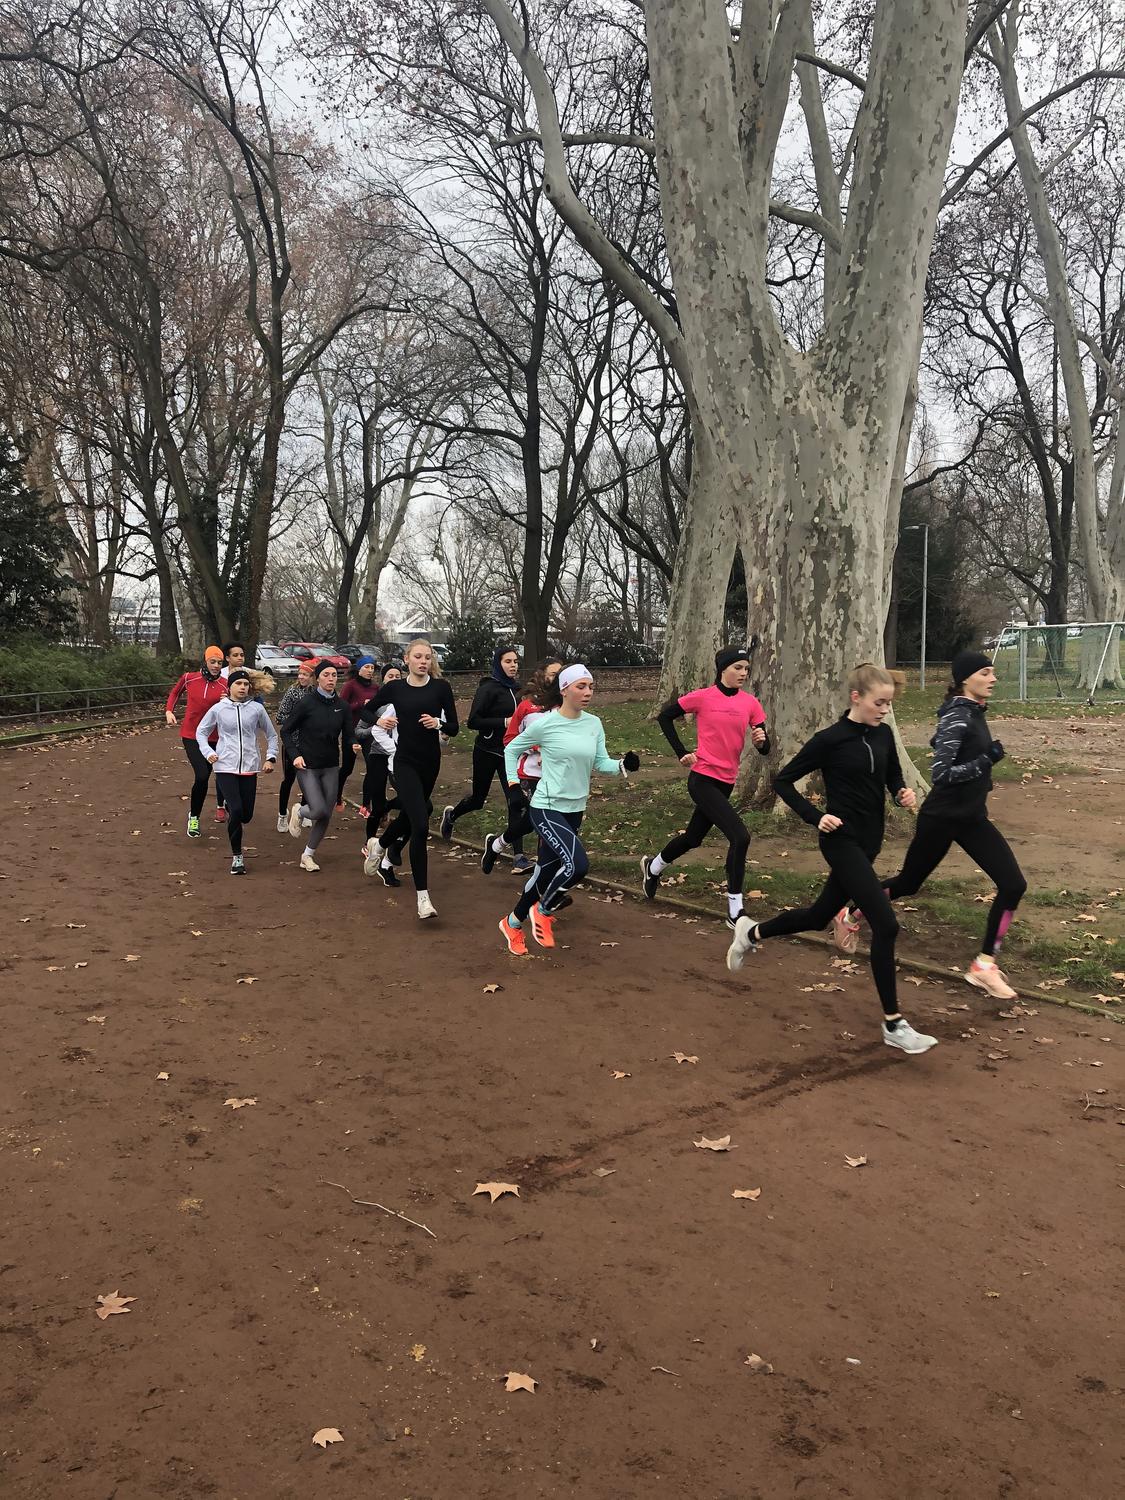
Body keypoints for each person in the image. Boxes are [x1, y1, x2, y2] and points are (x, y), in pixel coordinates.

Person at [725, 664, 938, 1057]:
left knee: (817, 916)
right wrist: (815, 816)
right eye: (879, 703)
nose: (885, 710)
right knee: (886, 924)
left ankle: (751, 933)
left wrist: (901, 793)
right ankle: (894, 1024)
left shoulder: (884, 734)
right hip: (840, 842)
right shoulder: (830, 740)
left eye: (889, 704)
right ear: (856, 697)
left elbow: (893, 776)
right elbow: (783, 780)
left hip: (870, 843)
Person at [880, 650, 1026, 1000]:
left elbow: (950, 746)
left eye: (992, 672)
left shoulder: (972, 711)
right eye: (985, 673)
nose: (993, 679)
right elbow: (942, 774)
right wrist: (987, 759)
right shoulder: (959, 715)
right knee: (908, 883)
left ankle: (984, 966)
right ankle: (853, 910)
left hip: (972, 818)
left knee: (1013, 885)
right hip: (942, 818)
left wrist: (975, 760)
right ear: (965, 678)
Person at [498, 663, 640, 956]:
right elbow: (511, 749)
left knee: (545, 873)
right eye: (581, 686)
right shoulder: (546, 724)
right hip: (546, 807)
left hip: (575, 808)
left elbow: (600, 762)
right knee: (577, 865)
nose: (588, 692)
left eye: (591, 687)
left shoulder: (593, 724)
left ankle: (511, 923)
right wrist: (513, 785)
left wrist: (622, 765)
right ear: (564, 689)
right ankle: (544, 910)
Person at [640, 645, 771, 927]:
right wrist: (681, 752)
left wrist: (761, 742)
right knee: (740, 837)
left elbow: (765, 745)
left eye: (746, 669)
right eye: (738, 667)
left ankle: (653, 866)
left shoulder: (750, 703)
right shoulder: (702, 697)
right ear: (723, 668)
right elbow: (665, 716)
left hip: (726, 782)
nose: (743, 673)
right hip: (702, 779)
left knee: (693, 838)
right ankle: (735, 910)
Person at [354, 639, 459, 918]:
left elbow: (455, 727)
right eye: (418, 657)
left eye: (428, 657)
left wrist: (438, 723)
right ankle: (423, 898)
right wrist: (379, 721)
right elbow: (365, 710)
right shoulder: (395, 688)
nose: (423, 662)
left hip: (430, 763)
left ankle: (380, 844)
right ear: (407, 659)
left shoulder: (441, 688)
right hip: (404, 762)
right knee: (421, 825)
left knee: (415, 812)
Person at [481, 656, 564, 875]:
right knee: (543, 819)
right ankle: (543, 873)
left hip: (558, 775)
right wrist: (536, 748)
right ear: (541, 675)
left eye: (561, 674)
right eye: (554, 674)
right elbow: (510, 739)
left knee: (534, 822)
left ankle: (497, 844)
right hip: (531, 774)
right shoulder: (526, 706)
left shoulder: (566, 706)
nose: (558, 678)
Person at [195, 668, 278, 874]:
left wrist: (271, 757)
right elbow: (201, 732)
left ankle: (231, 808)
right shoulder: (218, 709)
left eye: (245, 684)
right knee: (237, 810)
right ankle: (237, 857)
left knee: (246, 816)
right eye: (238, 684)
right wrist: (208, 752)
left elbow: (271, 735)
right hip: (225, 766)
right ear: (229, 687)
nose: (242, 687)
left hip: (249, 767)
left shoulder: (257, 709)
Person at [440, 645, 522, 843]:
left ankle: (518, 855)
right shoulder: (487, 689)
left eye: (515, 662)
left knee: (515, 802)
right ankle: (451, 816)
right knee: (478, 800)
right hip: (486, 750)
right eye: (508, 661)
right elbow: (473, 721)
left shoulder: (518, 689)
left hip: (510, 753)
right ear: (498, 664)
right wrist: (503, 722)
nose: (513, 665)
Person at [281, 660, 354, 872]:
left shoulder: (343, 706)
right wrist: (294, 755)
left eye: (334, 675)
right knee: (318, 809)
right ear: (317, 678)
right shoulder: (307, 703)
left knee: (326, 814)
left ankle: (307, 855)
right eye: (326, 675)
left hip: (330, 765)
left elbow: (349, 735)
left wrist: (354, 744)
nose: (331, 679)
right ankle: (300, 812)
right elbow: (286, 730)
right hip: (307, 765)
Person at [165, 646, 228, 836]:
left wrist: (228, 701)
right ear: (205, 661)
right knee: (201, 775)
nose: (216, 666)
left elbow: (236, 705)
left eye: (219, 663)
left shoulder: (226, 684)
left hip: (215, 737)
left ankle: (223, 807)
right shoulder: (189, 678)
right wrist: (169, 711)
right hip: (191, 735)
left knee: (212, 775)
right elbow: (175, 693)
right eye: (212, 662)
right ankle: (194, 817)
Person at [275, 658, 317, 832]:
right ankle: (282, 815)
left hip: (312, 743)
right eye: (300, 674)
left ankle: (305, 811)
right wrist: (299, 720)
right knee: (289, 779)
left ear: (313, 677)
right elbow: (280, 717)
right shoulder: (292, 692)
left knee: (309, 779)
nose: (301, 677)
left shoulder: (318, 693)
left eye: (305, 674)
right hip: (292, 743)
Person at [338, 655, 381, 807]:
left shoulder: (375, 687)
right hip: (351, 732)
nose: (370, 670)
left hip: (368, 731)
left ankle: (366, 805)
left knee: (372, 767)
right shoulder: (350, 685)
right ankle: (337, 795)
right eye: (367, 667)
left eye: (372, 668)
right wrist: (360, 703)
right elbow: (341, 707)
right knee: (347, 768)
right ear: (359, 669)